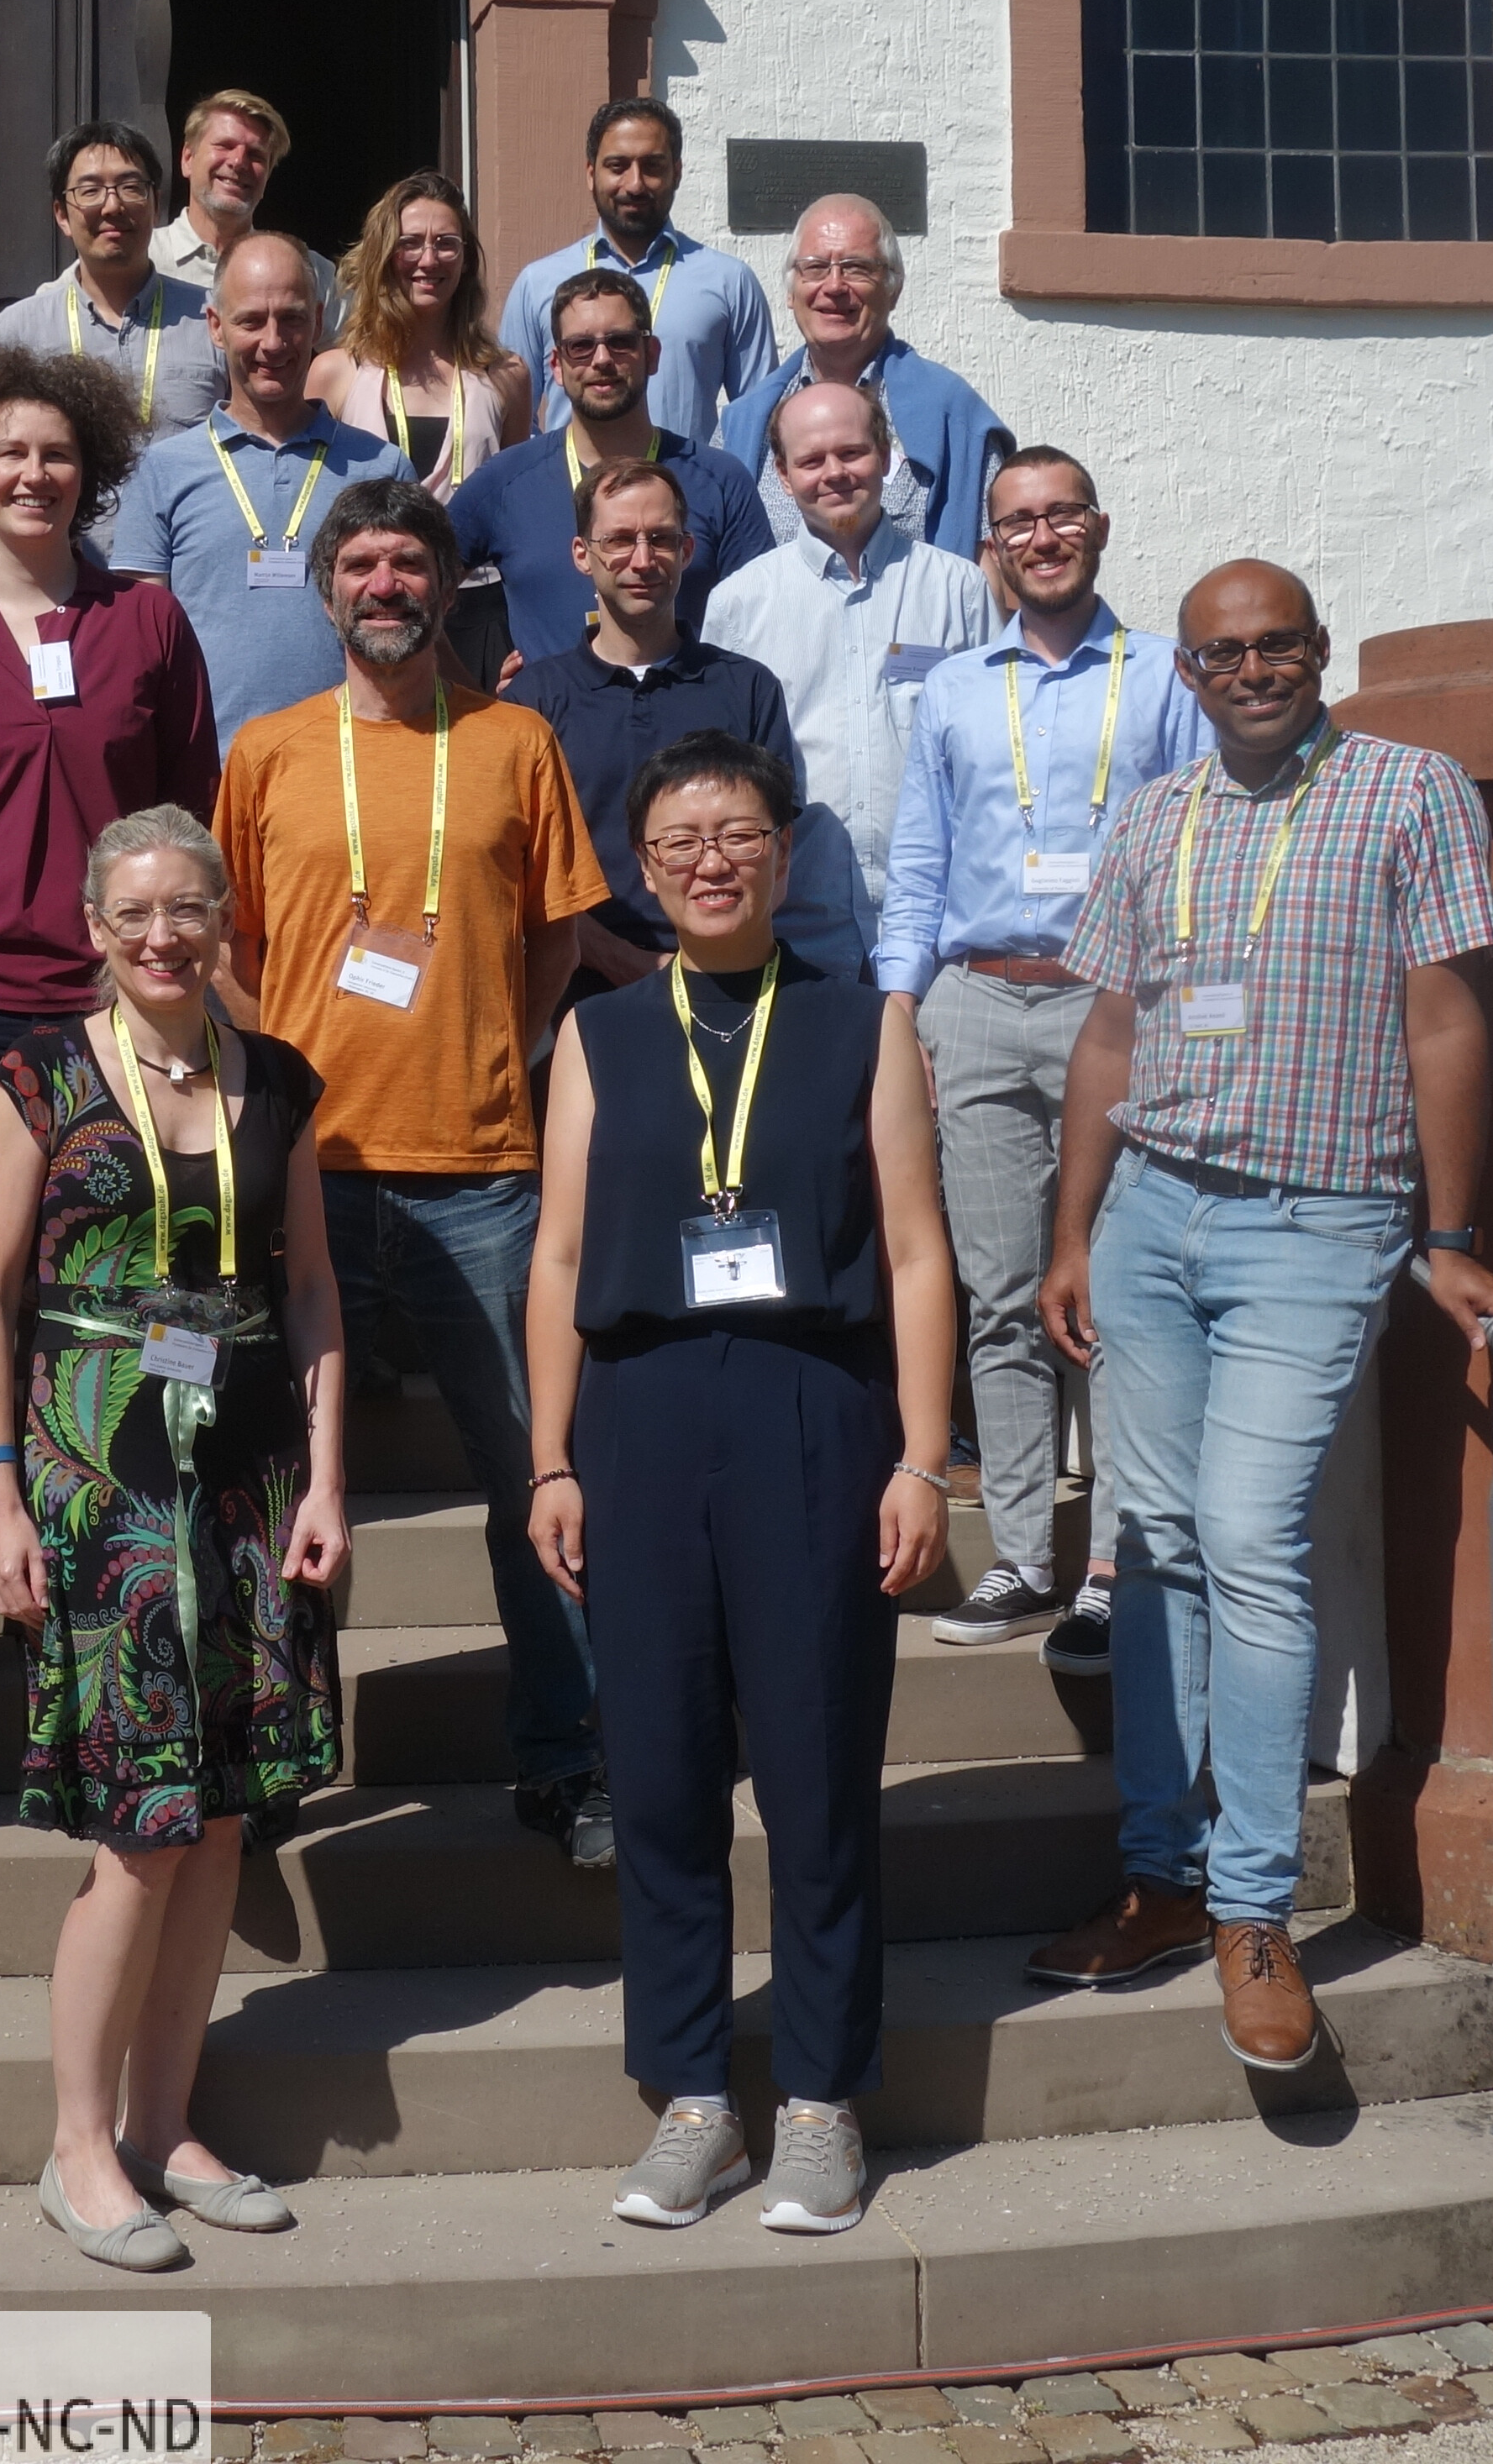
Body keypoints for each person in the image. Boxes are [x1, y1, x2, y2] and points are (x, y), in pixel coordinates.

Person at [1025, 561, 1493, 2076]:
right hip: (1151, 1216)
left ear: (1316, 654)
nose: (1251, 669)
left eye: (1277, 645)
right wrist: (1069, 1233)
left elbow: (1444, 1013)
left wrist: (1440, 1235)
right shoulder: (1155, 813)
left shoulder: (1406, 791)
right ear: (1182, 673)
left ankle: (1253, 1906)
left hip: (1316, 1221)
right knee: (1151, 1543)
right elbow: (1108, 1030)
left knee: (1245, 1541)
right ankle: (1160, 1877)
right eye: (1221, 652)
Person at [522, 733, 955, 2235]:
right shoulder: (598, 1035)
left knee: (820, 1766)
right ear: (640, 867)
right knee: (655, 1767)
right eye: (678, 835)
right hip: (640, 1412)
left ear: (783, 849)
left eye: (738, 829)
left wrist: (917, 1452)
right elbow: (562, 1256)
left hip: (810, 1408)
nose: (709, 857)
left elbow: (912, 1252)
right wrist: (549, 1454)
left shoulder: (859, 1025)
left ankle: (825, 2099)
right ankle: (694, 2095)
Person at [0, 806, 353, 2271]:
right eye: (130, 912)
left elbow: (309, 1289)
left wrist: (327, 1480)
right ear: (91, 924)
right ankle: (77, 2146)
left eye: (183, 908)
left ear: (220, 917)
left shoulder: (279, 1081)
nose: (159, 936)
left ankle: (164, 2121)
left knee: (224, 1819)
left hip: (248, 1476)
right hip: (95, 1476)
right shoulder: (36, 1079)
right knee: (139, 1831)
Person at [211, 481, 618, 1864]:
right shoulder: (264, 751)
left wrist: (481, 1044)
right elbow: (232, 950)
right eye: (361, 561)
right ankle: (272, 1751)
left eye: (407, 562)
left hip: (483, 1170)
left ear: (444, 586)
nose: (383, 583)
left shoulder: (514, 742)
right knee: (274, 1482)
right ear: (326, 586)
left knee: (533, 1476)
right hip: (309, 1176)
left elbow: (557, 946)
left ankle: (567, 1758)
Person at [0, 350, 221, 1686]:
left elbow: (185, 801)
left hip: (106, 1017)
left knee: (121, 1293)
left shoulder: (146, 624)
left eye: (57, 455)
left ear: (93, 473)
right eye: (8, 453)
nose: (32, 474)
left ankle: (113, 1559)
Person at [875, 447, 1212, 1673]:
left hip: (1111, 1011)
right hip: (973, 1005)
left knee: (1114, 1293)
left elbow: (1196, 857)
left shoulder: (1165, 680)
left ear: (1099, 529)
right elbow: (918, 863)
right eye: (1018, 521)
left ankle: (1115, 1564)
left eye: (1062, 514)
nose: (1042, 536)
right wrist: (899, 1012)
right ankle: (1022, 1552)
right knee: (1000, 1292)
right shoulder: (957, 690)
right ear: (994, 546)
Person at [698, 383, 994, 977]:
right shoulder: (739, 604)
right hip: (796, 936)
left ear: (886, 456)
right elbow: (721, 777)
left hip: (936, 933)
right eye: (810, 461)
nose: (833, 473)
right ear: (782, 476)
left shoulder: (960, 591)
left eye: (852, 453)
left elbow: (989, 760)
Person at [503, 460, 811, 1009]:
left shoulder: (747, 689)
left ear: (687, 551)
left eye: (661, 539)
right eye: (620, 540)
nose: (642, 560)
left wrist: (698, 963)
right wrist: (628, 963)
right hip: (574, 995)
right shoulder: (532, 703)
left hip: (729, 987)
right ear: (582, 554)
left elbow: (773, 854)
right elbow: (522, 874)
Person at [109, 234, 402, 747]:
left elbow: (413, 626)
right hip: (209, 777)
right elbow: (140, 646)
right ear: (216, 327)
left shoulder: (381, 466)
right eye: (251, 321)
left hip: (353, 768)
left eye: (290, 319)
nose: (273, 342)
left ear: (316, 321)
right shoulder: (162, 471)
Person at [448, 271, 775, 668]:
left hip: (690, 721)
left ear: (651, 354)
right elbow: (412, 589)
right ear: (556, 365)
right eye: (580, 346)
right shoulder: (506, 481)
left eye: (620, 343)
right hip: (548, 726)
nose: (601, 360)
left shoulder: (720, 480)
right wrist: (467, 694)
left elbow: (766, 622)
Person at [717, 197, 1010, 561]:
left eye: (857, 268)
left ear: (894, 289)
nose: (835, 286)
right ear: (791, 293)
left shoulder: (955, 419)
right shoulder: (743, 425)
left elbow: (992, 568)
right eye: (815, 268)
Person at [492, 101, 775, 448]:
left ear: (677, 171)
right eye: (618, 166)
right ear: (590, 173)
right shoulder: (537, 284)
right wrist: (548, 478)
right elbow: (511, 415)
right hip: (572, 495)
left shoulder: (730, 283)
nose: (635, 184)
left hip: (686, 494)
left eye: (652, 166)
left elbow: (760, 420)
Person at [0, 123, 224, 443]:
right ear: (61, 215)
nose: (113, 206)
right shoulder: (16, 333)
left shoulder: (213, 320)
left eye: (130, 187)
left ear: (155, 205)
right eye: (90, 191)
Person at [308, 171, 530, 499]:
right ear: (382, 257)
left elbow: (515, 502)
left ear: (466, 259)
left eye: (446, 244)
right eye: (409, 243)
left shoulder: (506, 377)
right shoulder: (335, 373)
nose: (428, 259)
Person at [151, 88, 341, 329]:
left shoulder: (307, 271)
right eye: (224, 145)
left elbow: (364, 353)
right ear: (187, 159)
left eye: (255, 155)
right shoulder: (141, 261)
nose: (238, 162)